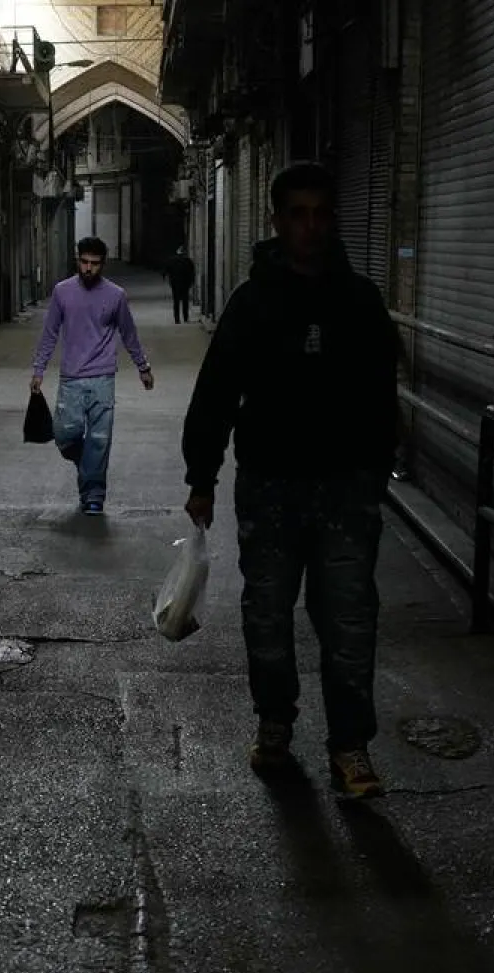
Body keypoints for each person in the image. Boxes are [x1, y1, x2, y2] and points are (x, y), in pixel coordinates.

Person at [180, 161, 400, 798]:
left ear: (331, 221)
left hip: (343, 491)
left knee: (350, 622)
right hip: (271, 489)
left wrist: (373, 468)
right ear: (277, 221)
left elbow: (382, 393)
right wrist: (202, 477)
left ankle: (350, 748)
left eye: (320, 214)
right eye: (297, 214)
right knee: (268, 619)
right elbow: (217, 392)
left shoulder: (358, 303)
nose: (309, 227)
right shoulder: (253, 305)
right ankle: (275, 721)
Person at [31, 236, 155, 515]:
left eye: (95, 264)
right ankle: (89, 464)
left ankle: (93, 495)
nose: (88, 268)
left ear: (103, 264)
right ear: (77, 260)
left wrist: (143, 367)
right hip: (71, 378)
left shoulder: (116, 296)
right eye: (84, 262)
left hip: (103, 378)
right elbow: (50, 333)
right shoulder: (62, 292)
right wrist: (39, 370)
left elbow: (129, 334)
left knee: (99, 439)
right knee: (64, 435)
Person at [164, 246, 197, 324]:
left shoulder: (172, 260)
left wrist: (168, 278)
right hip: (185, 284)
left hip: (175, 284)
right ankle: (185, 318)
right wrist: (191, 282)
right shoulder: (188, 261)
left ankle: (177, 319)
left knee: (176, 302)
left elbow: (165, 271)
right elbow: (192, 273)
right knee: (185, 301)